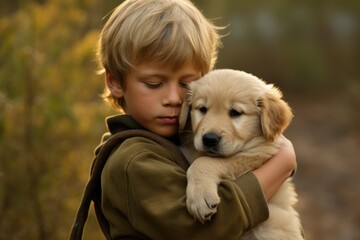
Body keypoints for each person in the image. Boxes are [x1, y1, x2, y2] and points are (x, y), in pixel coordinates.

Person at [95, 0, 297, 239]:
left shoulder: (174, 139)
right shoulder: (133, 160)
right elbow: (199, 231)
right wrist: (282, 162)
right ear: (115, 82)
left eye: (186, 84)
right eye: (154, 84)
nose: (174, 98)